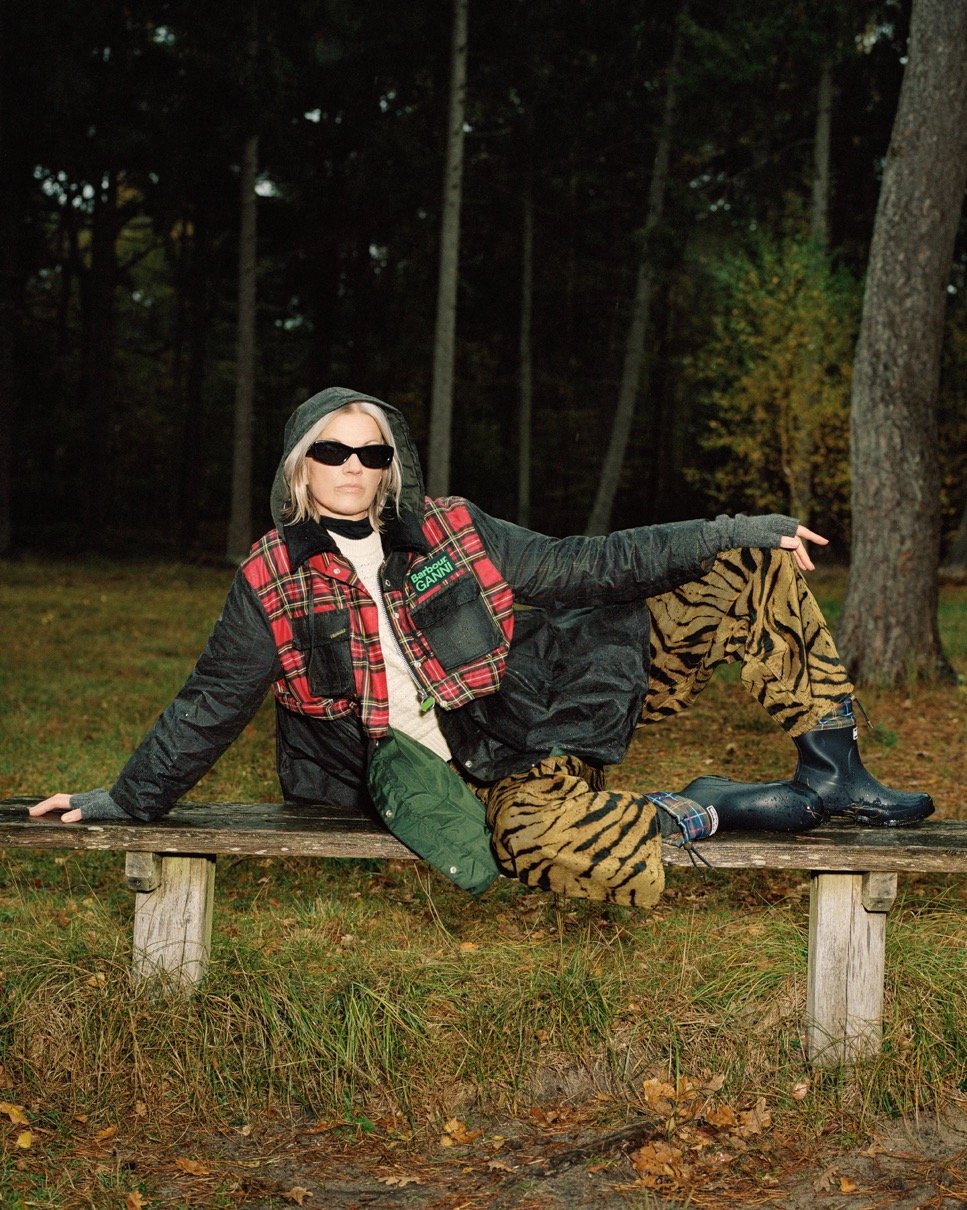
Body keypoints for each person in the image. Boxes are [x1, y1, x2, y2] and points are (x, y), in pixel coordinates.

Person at [30, 387, 933, 908]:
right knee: (537, 843)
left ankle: (833, 770)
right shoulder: (271, 577)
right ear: (299, 464)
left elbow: (588, 565)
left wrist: (728, 530)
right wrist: (128, 799)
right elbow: (210, 702)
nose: (353, 468)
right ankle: (700, 810)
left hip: (538, 711)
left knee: (746, 568)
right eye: (333, 452)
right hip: (465, 781)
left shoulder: (453, 528)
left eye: (372, 454)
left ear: (394, 464)